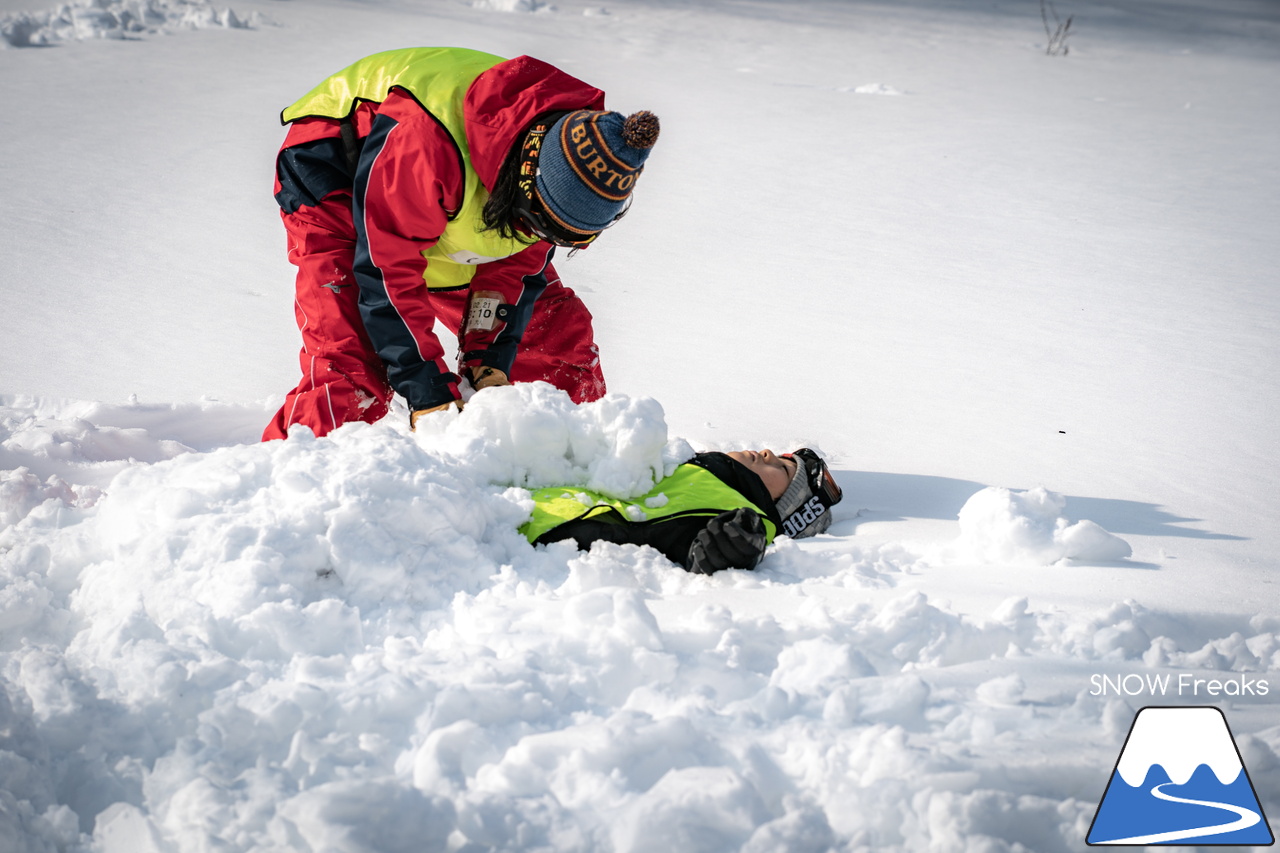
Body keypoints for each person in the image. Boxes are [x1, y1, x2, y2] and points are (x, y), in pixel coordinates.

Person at [262, 47, 661, 441]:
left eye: (560, 235)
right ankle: (286, 470)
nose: (540, 238)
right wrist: (424, 386)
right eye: (537, 223)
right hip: (338, 172)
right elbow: (386, 270)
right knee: (352, 374)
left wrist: (487, 358)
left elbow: (515, 265)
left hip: (453, 205)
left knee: (551, 338)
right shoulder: (425, 143)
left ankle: (579, 453)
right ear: (528, 177)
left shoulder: (558, 171)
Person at [520, 448, 844, 574]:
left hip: (543, 536)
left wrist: (732, 544)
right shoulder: (679, 457)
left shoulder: (739, 515)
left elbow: (707, 551)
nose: (768, 452)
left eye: (784, 469)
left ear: (783, 508)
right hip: (512, 498)